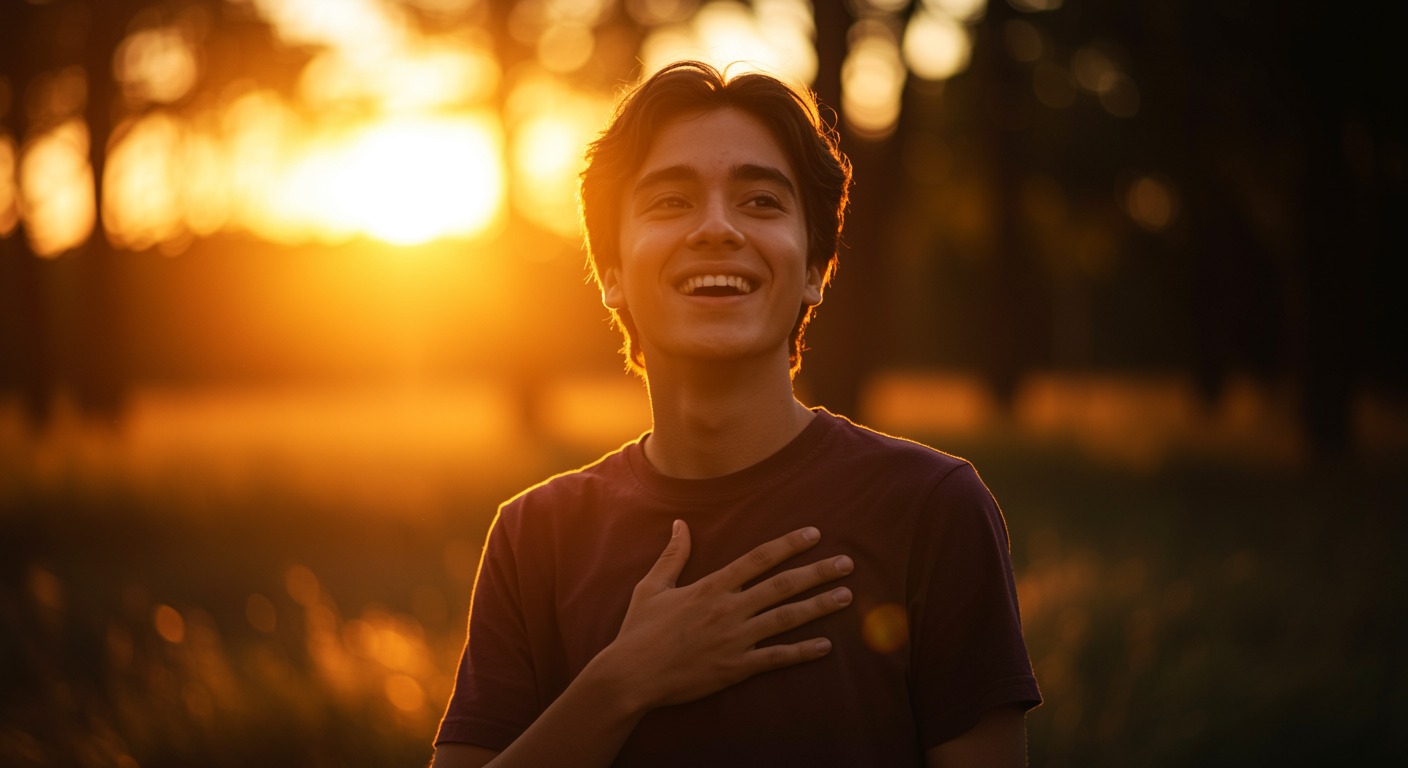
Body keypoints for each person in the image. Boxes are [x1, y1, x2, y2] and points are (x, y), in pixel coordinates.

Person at [431, 60, 1040, 767]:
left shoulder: (932, 508)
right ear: (613, 273)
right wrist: (622, 682)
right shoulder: (533, 536)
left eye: (759, 202)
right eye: (670, 202)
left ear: (814, 269)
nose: (716, 228)